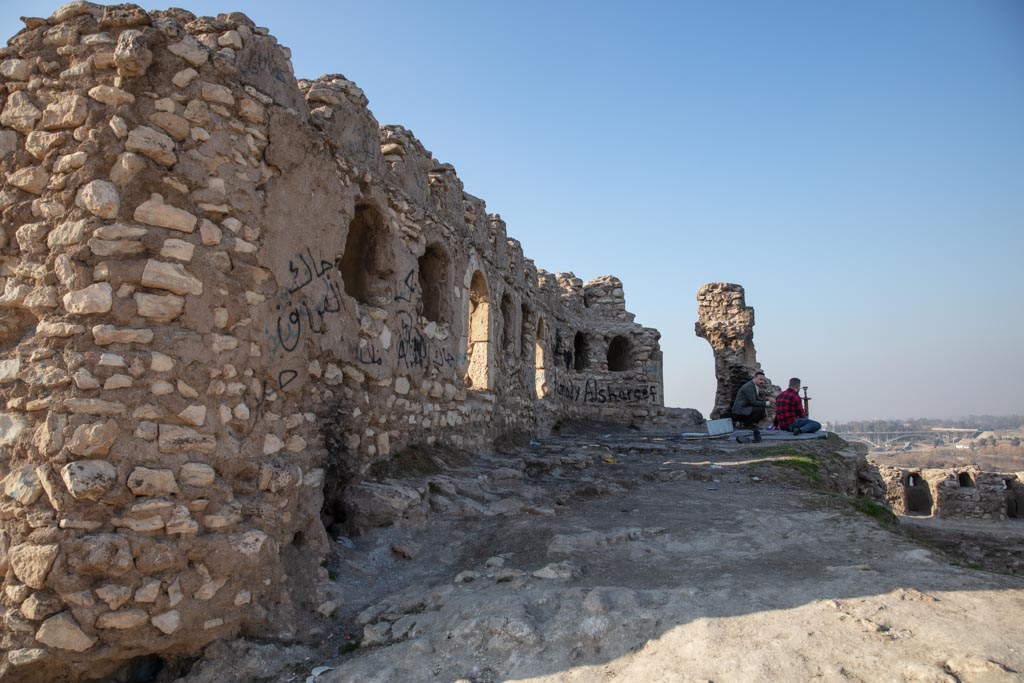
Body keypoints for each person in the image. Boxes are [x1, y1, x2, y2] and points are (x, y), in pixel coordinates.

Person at [732, 370, 774, 441]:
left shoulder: (753, 385)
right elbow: (753, 402)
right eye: (760, 379)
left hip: (745, 408)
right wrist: (768, 403)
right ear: (754, 378)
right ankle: (747, 425)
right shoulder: (749, 386)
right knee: (761, 411)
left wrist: (766, 400)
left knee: (761, 409)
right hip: (740, 410)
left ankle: (749, 424)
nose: (762, 382)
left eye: (763, 380)